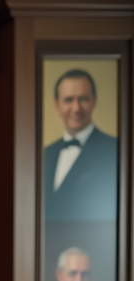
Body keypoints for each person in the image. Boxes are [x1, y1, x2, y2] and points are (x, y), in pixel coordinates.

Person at [44, 69, 118, 222]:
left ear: (94, 101)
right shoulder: (44, 155)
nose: (76, 108)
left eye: (83, 99)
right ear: (57, 105)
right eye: (68, 100)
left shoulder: (116, 150)